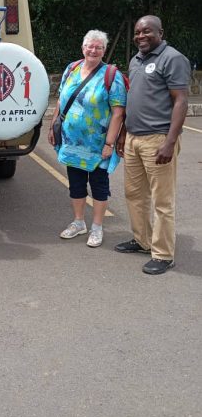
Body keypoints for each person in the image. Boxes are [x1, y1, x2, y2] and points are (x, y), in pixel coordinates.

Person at [115, 15, 190, 275]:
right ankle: (142, 240)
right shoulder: (136, 60)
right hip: (134, 138)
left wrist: (170, 141)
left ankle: (163, 254)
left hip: (158, 139)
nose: (140, 36)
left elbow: (181, 101)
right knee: (134, 194)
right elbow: (133, 98)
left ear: (160, 32)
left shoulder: (173, 58)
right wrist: (123, 133)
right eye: (137, 32)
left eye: (146, 31)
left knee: (161, 201)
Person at [48, 30, 127, 247]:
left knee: (99, 185)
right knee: (76, 184)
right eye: (89, 46)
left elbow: (118, 112)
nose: (93, 50)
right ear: (83, 48)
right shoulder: (71, 69)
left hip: (98, 144)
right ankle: (79, 222)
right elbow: (61, 100)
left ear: (104, 50)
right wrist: (53, 126)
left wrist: (110, 143)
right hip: (72, 142)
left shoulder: (111, 75)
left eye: (98, 47)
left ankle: (97, 227)